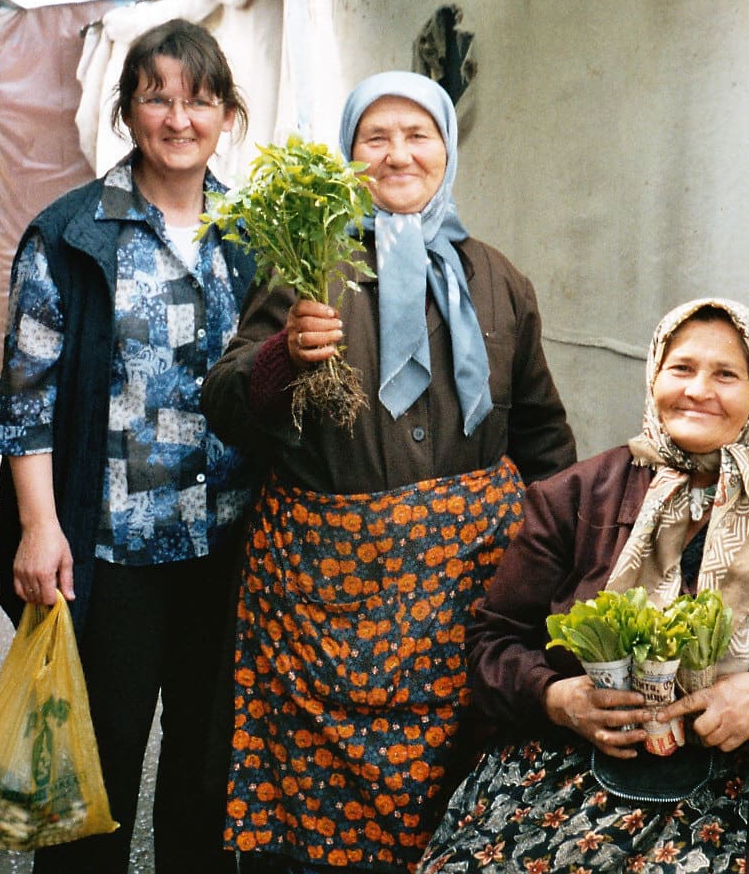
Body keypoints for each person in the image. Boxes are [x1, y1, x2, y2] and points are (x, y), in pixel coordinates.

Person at [416, 297, 749, 874]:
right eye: (682, 368)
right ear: (654, 376)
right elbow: (494, 640)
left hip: (728, 788)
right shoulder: (577, 496)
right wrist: (558, 697)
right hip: (565, 765)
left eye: (726, 374)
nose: (699, 389)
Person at [201, 71, 578, 874]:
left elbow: (542, 433)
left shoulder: (499, 281)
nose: (398, 154)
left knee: (449, 787)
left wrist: (564, 565)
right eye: (376, 138)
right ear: (349, 157)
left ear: (446, 149)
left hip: (460, 590)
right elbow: (227, 404)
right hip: (324, 597)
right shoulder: (307, 269)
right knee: (317, 806)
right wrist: (280, 355)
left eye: (419, 136)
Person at [0, 18, 260, 873]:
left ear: (226, 115)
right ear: (128, 111)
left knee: (205, 779)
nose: (180, 118)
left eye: (201, 99)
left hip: (225, 545)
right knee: (90, 781)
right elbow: (26, 401)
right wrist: (39, 527)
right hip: (114, 552)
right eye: (158, 97)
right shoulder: (72, 236)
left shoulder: (252, 237)